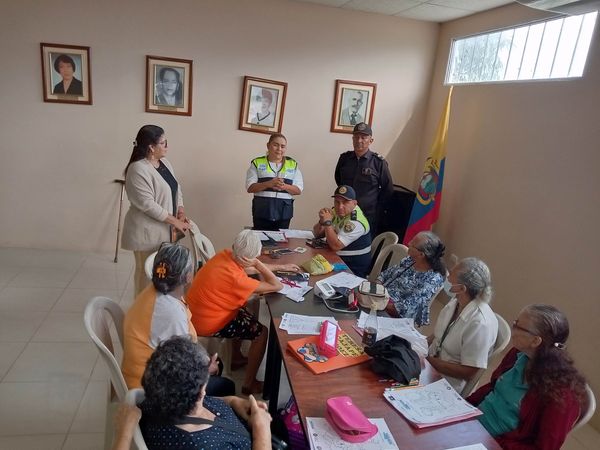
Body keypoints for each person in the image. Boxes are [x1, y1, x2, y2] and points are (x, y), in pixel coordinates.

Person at [186, 229, 299, 395]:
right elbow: (277, 286)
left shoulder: (225, 254)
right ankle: (249, 384)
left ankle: (236, 358)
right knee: (261, 333)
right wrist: (259, 264)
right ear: (251, 259)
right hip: (207, 322)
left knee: (243, 309)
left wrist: (280, 266)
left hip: (196, 313)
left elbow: (246, 269)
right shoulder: (237, 279)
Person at [467, 304, 587, 450]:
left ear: (535, 341)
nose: (513, 329)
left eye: (517, 326)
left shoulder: (561, 396)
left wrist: (492, 443)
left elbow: (544, 448)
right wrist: (465, 406)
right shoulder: (517, 354)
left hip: (496, 443)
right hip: (473, 424)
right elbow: (492, 387)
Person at [122, 243, 234, 397]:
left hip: (141, 371)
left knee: (214, 363)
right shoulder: (171, 312)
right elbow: (183, 365)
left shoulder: (153, 291)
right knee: (226, 385)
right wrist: (207, 369)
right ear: (188, 276)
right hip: (152, 388)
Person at [139, 336, 273, 450]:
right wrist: (262, 430)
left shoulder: (158, 399)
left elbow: (211, 401)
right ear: (200, 394)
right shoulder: (203, 445)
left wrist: (235, 401)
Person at [121, 125, 190, 296]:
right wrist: (176, 222)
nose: (167, 146)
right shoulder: (138, 169)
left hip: (166, 231)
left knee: (161, 273)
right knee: (146, 273)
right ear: (151, 147)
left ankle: (156, 307)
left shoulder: (165, 163)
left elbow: (176, 188)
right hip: (146, 233)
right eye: (163, 143)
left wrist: (180, 210)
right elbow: (147, 204)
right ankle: (141, 308)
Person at [426, 257, 498, 393]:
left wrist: (427, 360)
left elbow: (469, 372)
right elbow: (439, 334)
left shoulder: (480, 323)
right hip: (431, 363)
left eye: (451, 276)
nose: (448, 278)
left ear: (462, 288)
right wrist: (419, 345)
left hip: (447, 382)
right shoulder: (457, 301)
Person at [334, 122, 393, 236]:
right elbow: (339, 180)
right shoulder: (344, 159)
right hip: (345, 213)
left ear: (371, 140)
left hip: (368, 214)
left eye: (363, 137)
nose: (359, 140)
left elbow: (388, 189)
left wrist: (376, 207)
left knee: (365, 244)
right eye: (356, 137)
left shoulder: (378, 163)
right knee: (341, 241)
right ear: (352, 139)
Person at [378, 231, 445, 327]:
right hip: (381, 299)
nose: (409, 243)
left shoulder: (432, 279)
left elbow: (405, 308)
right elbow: (386, 274)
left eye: (413, 244)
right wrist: (374, 289)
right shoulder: (410, 260)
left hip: (395, 317)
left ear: (421, 254)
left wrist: (377, 303)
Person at [246, 133, 303, 231]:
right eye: (275, 145)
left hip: (284, 214)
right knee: (260, 239)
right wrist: (268, 184)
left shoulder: (293, 164)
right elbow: (250, 188)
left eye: (282, 146)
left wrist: (284, 186)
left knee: (281, 240)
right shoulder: (257, 163)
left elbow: (298, 190)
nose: (279, 149)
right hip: (262, 212)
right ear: (268, 145)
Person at [312, 185, 372, 277]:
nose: (340, 207)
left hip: (352, 268)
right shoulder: (337, 212)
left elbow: (336, 246)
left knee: (314, 274)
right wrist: (321, 221)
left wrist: (328, 223)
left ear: (354, 203)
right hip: (338, 258)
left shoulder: (355, 221)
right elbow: (317, 234)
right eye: (337, 202)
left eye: (345, 202)